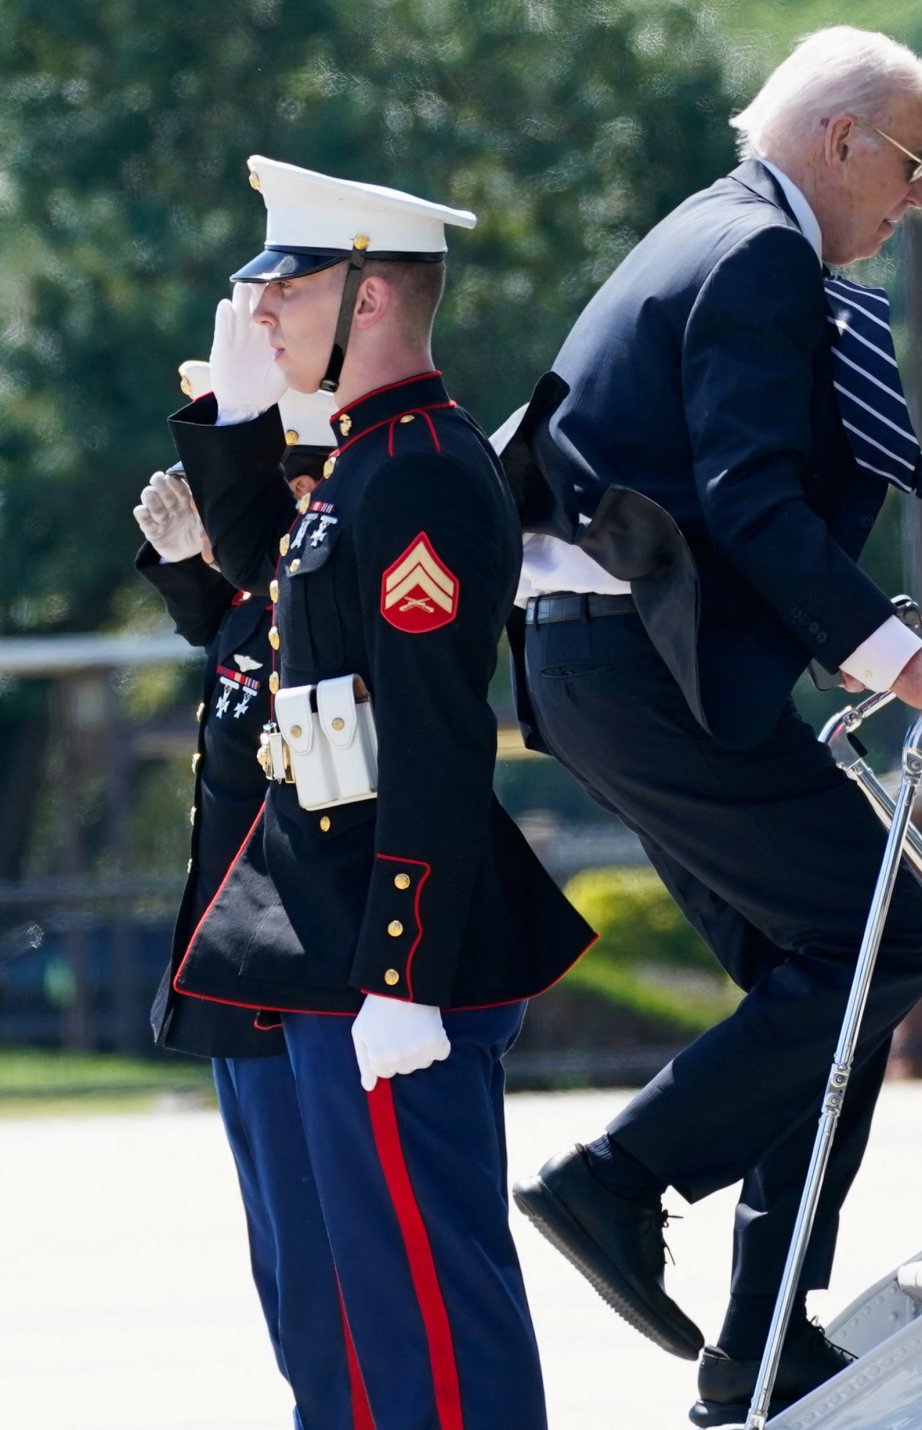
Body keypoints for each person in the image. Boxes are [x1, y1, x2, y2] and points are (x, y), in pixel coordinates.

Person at [502, 25, 922, 1426]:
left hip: (613, 666)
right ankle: (616, 1179)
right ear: (840, 141)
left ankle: (760, 1343)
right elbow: (752, 495)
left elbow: (708, 508)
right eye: (910, 164)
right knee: (883, 938)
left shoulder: (708, 234)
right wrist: (901, 662)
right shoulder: (758, 254)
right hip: (635, 668)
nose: (916, 201)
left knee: (820, 979)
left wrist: (822, 629)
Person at [167, 155, 595, 1430]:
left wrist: (399, 971)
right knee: (360, 1322)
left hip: (387, 953)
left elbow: (431, 739)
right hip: (340, 943)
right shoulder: (359, 469)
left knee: (429, 1314)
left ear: (365, 296)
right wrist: (236, 434)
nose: (262, 315)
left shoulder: (411, 472)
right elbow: (275, 623)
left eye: (285, 289)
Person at [133, 365, 368, 1426]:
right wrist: (194, 578)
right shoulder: (264, 592)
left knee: (331, 1278)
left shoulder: (329, 569)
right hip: (242, 981)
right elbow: (240, 655)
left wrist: (205, 577)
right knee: (293, 1277)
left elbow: (281, 666)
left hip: (294, 975)